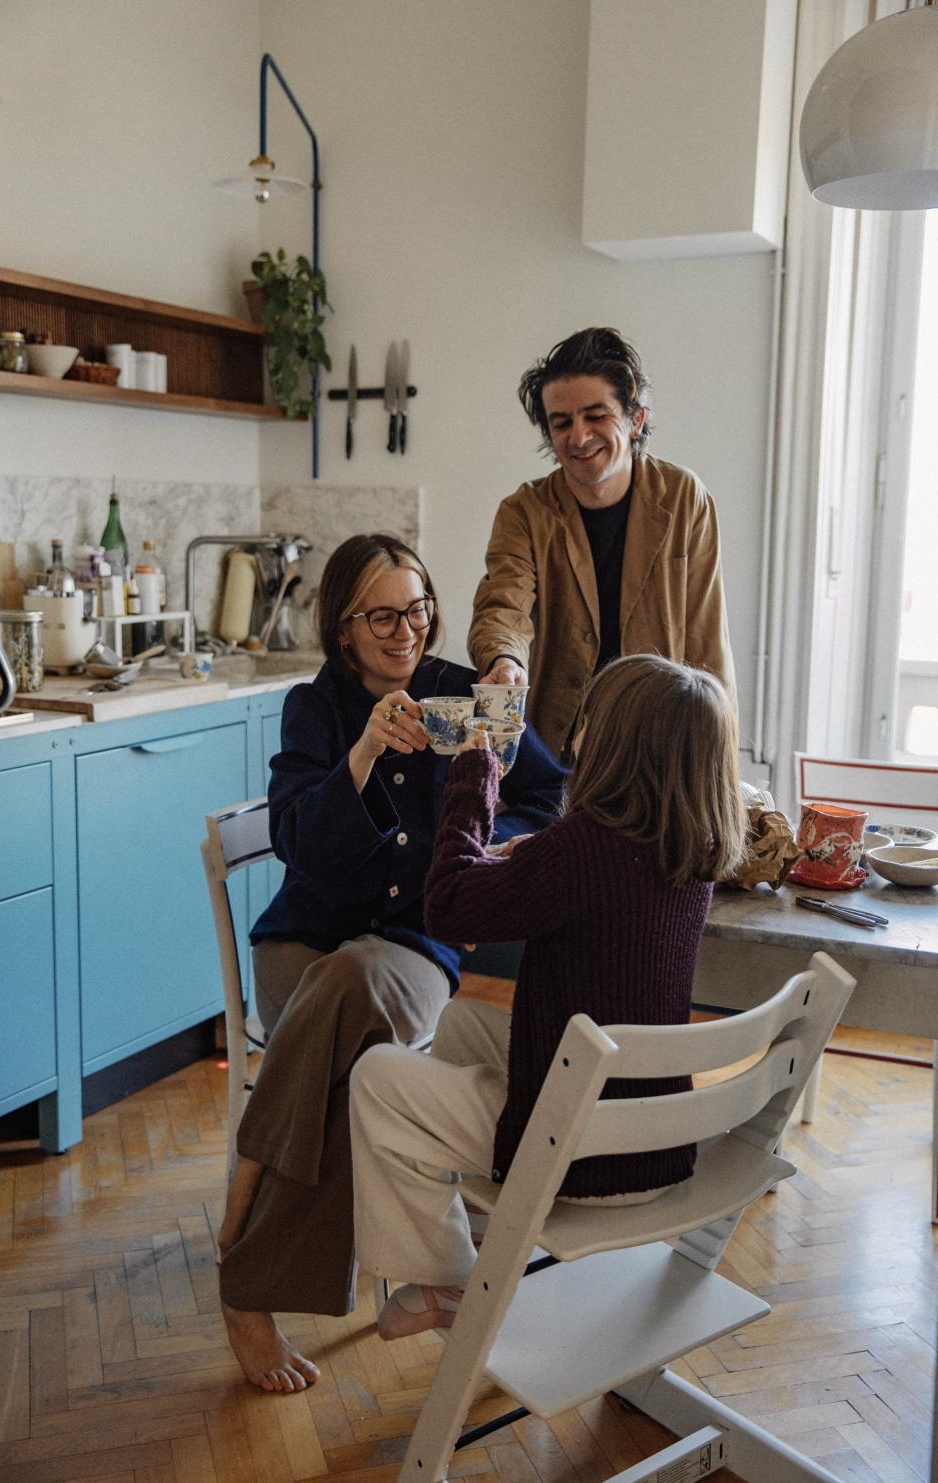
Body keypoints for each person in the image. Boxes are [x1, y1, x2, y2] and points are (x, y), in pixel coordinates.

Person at [217, 532, 565, 1391]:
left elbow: (543, 798)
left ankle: (245, 1227)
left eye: (416, 608)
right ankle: (291, 1271)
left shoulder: (463, 693)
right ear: (343, 627)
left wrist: (484, 854)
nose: (406, 629)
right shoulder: (316, 709)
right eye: (382, 615)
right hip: (305, 939)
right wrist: (365, 753)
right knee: (349, 1041)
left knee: (350, 994)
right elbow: (301, 844)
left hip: (413, 944)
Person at [349, 654, 747, 1339]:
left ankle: (448, 1277)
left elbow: (447, 906)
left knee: (377, 1078)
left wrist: (476, 776)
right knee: (462, 1022)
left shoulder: (583, 849)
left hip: (584, 1149)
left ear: (616, 748)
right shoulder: (690, 844)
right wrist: (526, 858)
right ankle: (478, 1225)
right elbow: (588, 885)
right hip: (651, 1127)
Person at [467, 326, 737, 759]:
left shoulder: (685, 498)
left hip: (656, 748)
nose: (578, 436)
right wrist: (505, 661)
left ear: (635, 419)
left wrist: (717, 766)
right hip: (553, 751)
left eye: (596, 416)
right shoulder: (524, 511)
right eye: (562, 423)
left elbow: (707, 645)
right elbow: (503, 606)